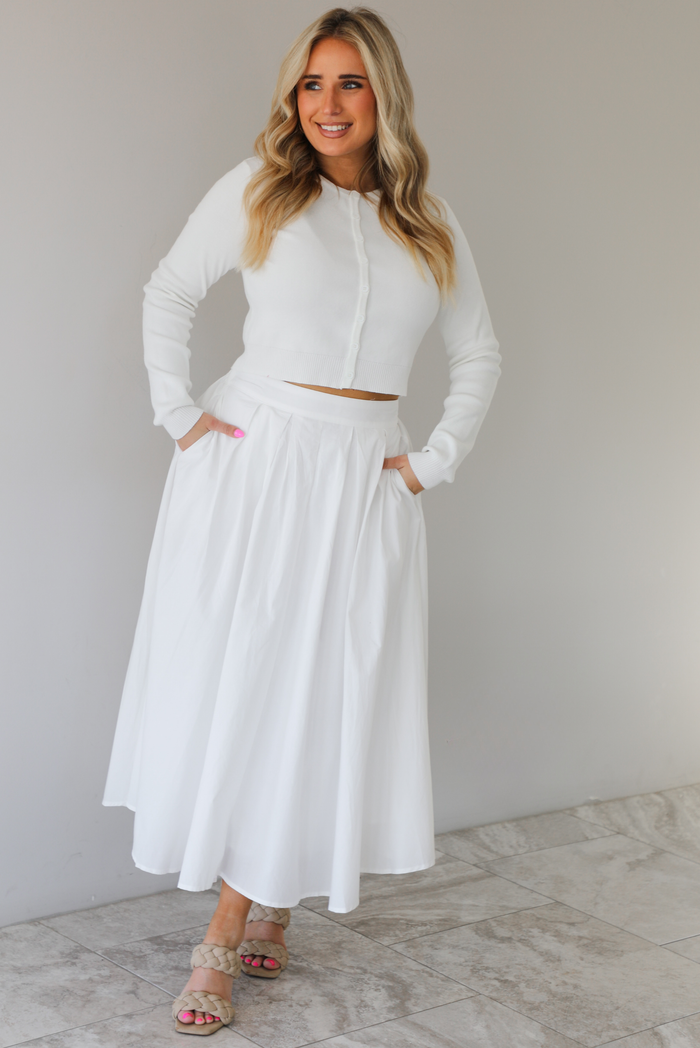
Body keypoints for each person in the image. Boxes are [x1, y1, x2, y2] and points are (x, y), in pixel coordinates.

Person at [102, 4, 501, 1036]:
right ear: (293, 96)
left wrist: (429, 466)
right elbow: (167, 293)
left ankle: (270, 889)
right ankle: (228, 928)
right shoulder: (257, 192)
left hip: (366, 479)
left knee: (328, 688)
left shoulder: (430, 220)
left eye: (350, 83)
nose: (327, 104)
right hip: (255, 466)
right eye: (312, 84)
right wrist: (180, 417)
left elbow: (479, 355)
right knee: (254, 682)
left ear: (384, 97)